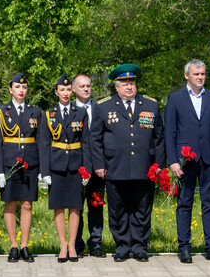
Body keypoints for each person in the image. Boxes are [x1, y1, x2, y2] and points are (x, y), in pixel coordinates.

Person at [91, 63, 165, 262]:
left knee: (142, 209)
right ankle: (122, 246)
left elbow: (159, 138)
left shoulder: (150, 105)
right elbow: (95, 138)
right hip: (115, 166)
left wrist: (158, 165)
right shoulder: (103, 106)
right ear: (116, 86)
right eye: (124, 83)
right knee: (118, 209)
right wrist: (98, 164)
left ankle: (140, 246)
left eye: (131, 82)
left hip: (144, 167)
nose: (129, 87)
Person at [163, 59, 210, 263]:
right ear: (186, 75)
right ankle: (184, 247)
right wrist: (173, 160)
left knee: (209, 204)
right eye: (196, 74)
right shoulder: (175, 98)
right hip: (185, 160)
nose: (200, 77)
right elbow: (169, 132)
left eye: (202, 74)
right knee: (184, 204)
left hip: (209, 160)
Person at [40, 74, 92, 262]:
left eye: (69, 89)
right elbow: (44, 145)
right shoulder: (48, 115)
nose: (66, 93)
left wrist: (87, 170)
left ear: (72, 91)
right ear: (56, 92)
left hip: (76, 166)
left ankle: (72, 246)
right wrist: (44, 171)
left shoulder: (81, 113)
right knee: (59, 207)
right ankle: (63, 245)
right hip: (57, 166)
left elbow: (86, 143)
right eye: (62, 90)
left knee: (76, 207)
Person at [0, 72, 42, 262]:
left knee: (27, 204)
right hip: (9, 163)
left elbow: (39, 141)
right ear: (10, 89)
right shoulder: (1, 112)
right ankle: (13, 245)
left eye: (24, 87)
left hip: (30, 163)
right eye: (18, 87)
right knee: (10, 204)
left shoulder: (35, 112)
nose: (21, 90)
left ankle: (24, 245)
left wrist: (41, 168)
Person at [73, 73, 106, 257]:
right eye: (82, 86)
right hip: (77, 167)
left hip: (97, 167)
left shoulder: (99, 108)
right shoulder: (69, 109)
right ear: (74, 89)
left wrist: (101, 163)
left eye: (88, 86)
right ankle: (76, 243)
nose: (86, 89)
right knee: (76, 206)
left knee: (96, 204)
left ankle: (95, 243)